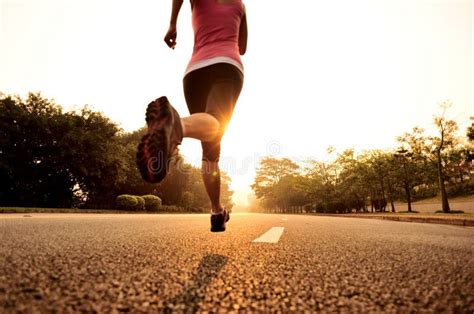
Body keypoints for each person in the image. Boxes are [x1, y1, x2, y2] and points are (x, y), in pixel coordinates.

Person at [136, 0, 247, 232]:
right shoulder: (240, 5)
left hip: (195, 72)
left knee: (210, 148)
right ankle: (179, 127)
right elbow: (243, 47)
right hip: (227, 65)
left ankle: (217, 211)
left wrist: (172, 24)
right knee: (215, 125)